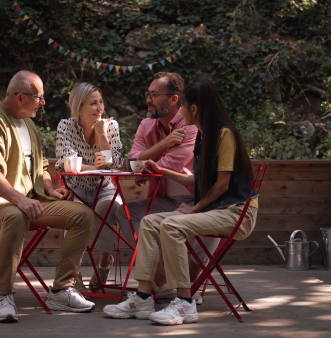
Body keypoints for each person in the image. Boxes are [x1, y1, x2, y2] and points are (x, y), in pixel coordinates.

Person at [103, 79, 258, 325]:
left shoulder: (224, 134)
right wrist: (160, 170)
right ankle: (143, 297)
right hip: (215, 208)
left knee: (172, 226)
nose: (181, 112)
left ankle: (185, 302)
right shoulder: (204, 137)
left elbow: (222, 185)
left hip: (236, 211)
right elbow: (198, 179)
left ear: (194, 109)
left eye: (184, 106)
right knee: (152, 222)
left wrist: (195, 208)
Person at [0, 70, 96, 323]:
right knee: (15, 216)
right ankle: (4, 296)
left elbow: (39, 168)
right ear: (20, 97)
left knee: (82, 215)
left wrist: (48, 187)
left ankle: (61, 290)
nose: (43, 103)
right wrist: (20, 199)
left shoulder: (28, 123)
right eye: (39, 97)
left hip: (30, 201)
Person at [115, 72, 219, 302]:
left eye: (154, 95)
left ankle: (191, 284)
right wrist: (163, 144)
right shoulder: (145, 125)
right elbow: (132, 162)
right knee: (124, 212)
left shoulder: (191, 123)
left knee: (212, 219)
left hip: (197, 198)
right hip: (165, 198)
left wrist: (147, 169)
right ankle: (162, 280)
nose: (148, 100)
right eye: (147, 94)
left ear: (174, 99)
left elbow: (175, 162)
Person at [55, 82, 124, 292]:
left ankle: (104, 264)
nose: (99, 108)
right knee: (73, 218)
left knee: (111, 209)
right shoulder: (66, 126)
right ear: (79, 107)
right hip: (76, 189)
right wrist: (97, 166)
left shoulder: (110, 126)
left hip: (104, 188)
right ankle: (72, 273)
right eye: (93, 103)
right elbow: (65, 163)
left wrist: (102, 134)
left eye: (101, 102)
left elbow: (116, 163)